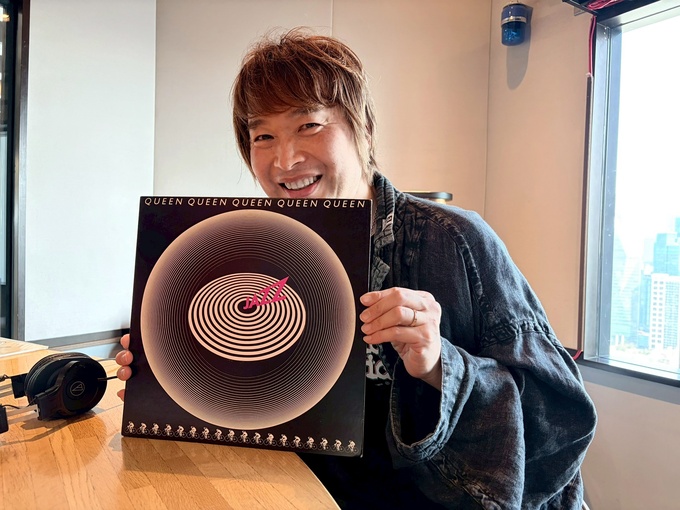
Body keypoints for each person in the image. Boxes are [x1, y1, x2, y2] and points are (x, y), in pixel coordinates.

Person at [116, 28, 597, 509]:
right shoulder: (252, 255)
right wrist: (170, 383)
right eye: (263, 136)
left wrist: (438, 366)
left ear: (363, 129)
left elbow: (558, 423)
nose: (285, 159)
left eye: (309, 125)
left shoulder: (454, 241)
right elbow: (270, 413)